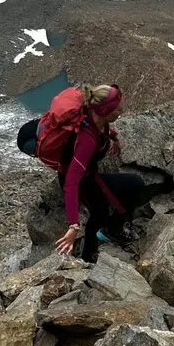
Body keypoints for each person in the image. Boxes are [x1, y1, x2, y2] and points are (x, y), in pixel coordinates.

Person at [52, 84, 146, 262]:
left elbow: (101, 129)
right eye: (117, 108)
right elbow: (71, 183)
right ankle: (89, 254)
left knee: (108, 205)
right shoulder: (86, 140)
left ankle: (108, 233)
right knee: (101, 212)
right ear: (105, 111)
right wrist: (73, 225)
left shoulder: (95, 118)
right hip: (79, 181)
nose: (121, 111)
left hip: (88, 175)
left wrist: (112, 136)